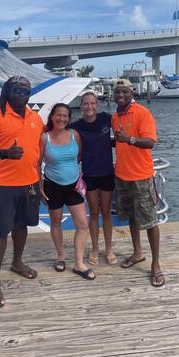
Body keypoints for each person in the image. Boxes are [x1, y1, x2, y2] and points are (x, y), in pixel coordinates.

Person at [0, 76, 43, 308]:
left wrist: (39, 181)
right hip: (2, 184)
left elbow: (37, 151)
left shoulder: (35, 117)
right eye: (17, 90)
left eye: (27, 90)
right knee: (0, 231)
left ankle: (17, 263)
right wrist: (6, 153)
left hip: (30, 183)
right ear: (7, 91)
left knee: (22, 225)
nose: (23, 94)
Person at [112, 78, 165, 287]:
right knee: (132, 217)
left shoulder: (143, 113)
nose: (121, 96)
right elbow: (116, 140)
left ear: (131, 93)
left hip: (142, 177)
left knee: (151, 221)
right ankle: (137, 253)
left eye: (125, 92)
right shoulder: (115, 116)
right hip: (122, 175)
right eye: (118, 92)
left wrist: (130, 139)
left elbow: (150, 142)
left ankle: (156, 264)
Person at [40, 103, 95, 280]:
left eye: (65, 116)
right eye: (58, 115)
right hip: (52, 185)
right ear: (52, 117)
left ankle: (79, 263)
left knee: (82, 224)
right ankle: (61, 256)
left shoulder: (74, 135)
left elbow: (78, 157)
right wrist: (39, 185)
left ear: (69, 119)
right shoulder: (44, 138)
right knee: (56, 222)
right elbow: (37, 162)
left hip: (73, 185)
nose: (61, 118)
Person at [71, 92, 117, 265]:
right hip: (89, 174)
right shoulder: (76, 126)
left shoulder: (106, 119)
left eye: (92, 103)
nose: (89, 107)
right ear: (81, 106)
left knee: (106, 212)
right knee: (94, 213)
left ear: (97, 104)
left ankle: (109, 249)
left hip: (106, 172)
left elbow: (122, 128)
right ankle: (95, 249)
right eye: (85, 104)